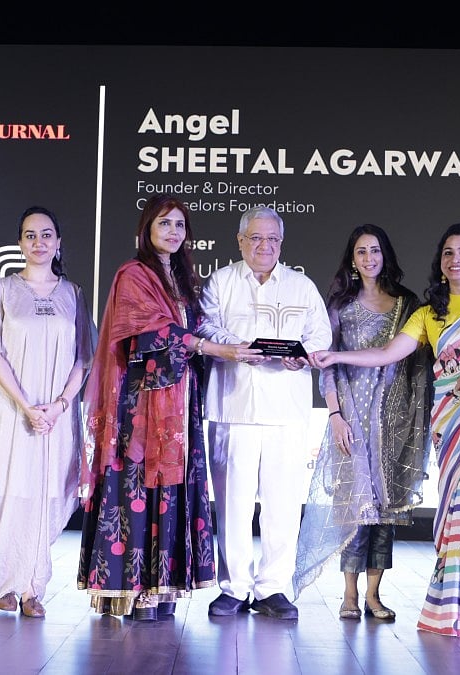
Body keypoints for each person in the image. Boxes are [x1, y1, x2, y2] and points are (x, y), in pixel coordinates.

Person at [309, 223, 460, 637]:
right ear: (440, 262)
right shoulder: (427, 313)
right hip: (453, 426)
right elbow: (386, 353)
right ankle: (449, 607)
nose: (455, 260)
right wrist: (334, 356)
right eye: (448, 253)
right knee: (455, 511)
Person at [76, 194, 260, 621]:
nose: (173, 232)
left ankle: (161, 589)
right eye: (164, 224)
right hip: (142, 404)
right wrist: (217, 348)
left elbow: (191, 331)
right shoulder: (133, 275)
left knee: (173, 489)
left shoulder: (184, 280)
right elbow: (151, 334)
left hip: (181, 402)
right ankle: (130, 589)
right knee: (137, 488)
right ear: (146, 230)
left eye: (180, 225)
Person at [291, 224, 432, 622]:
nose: (369, 258)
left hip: (395, 421)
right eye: (361, 252)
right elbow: (327, 363)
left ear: (385, 255)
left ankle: (374, 596)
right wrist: (335, 414)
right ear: (351, 260)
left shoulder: (408, 304)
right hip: (351, 418)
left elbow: (416, 365)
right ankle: (349, 596)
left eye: (374, 251)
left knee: (385, 513)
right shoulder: (339, 306)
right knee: (354, 509)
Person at [198, 205, 332, 620]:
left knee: (283, 506)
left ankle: (274, 588)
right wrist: (238, 346)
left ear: (281, 243)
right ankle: (233, 588)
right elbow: (205, 327)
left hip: (286, 412)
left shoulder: (301, 286)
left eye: (272, 239)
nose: (264, 246)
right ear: (240, 241)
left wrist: (302, 357)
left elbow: (319, 337)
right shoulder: (221, 282)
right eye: (256, 238)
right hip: (232, 407)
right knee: (233, 504)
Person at [0, 206, 97, 619]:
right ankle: (4, 583)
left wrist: (57, 407)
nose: (38, 242)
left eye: (46, 234)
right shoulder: (2, 289)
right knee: (9, 492)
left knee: (46, 494)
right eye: (29, 235)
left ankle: (33, 588)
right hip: (12, 410)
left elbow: (84, 358)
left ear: (59, 242)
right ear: (19, 242)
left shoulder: (73, 294)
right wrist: (27, 406)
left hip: (56, 416)